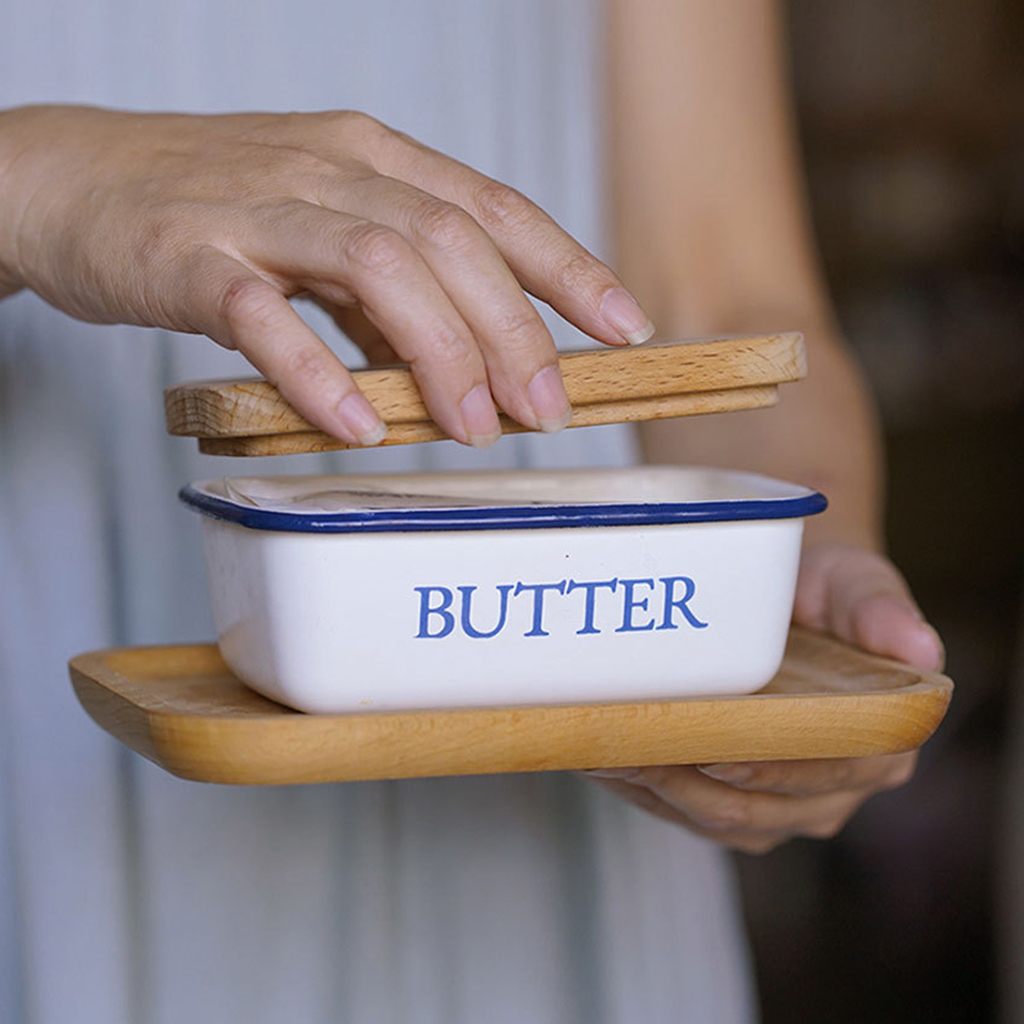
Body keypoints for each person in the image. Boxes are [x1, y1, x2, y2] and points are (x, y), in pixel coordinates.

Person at [0, 1, 945, 1021]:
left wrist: (802, 562)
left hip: (561, 785)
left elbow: (719, 300)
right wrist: (30, 174)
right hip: (49, 760)